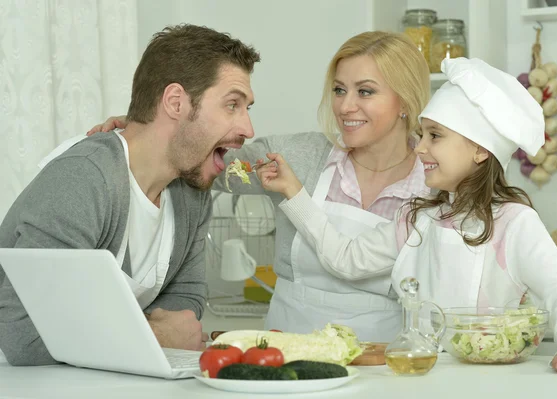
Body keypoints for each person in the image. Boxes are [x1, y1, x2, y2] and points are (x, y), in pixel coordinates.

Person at [255, 57, 557, 373]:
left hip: (491, 379)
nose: (419, 147)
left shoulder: (514, 223)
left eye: (435, 136)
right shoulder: (418, 217)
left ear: (480, 149)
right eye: (422, 134)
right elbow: (345, 259)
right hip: (425, 373)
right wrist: (294, 192)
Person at [86, 31, 431, 342]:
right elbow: (208, 161)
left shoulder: (436, 180)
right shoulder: (301, 156)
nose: (345, 106)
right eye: (339, 89)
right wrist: (146, 131)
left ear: (404, 99)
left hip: (384, 357)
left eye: (365, 91)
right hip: (285, 347)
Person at [0, 24, 260, 366]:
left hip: (112, 377)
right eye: (232, 105)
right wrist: (157, 335)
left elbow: (185, 304)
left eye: (247, 108)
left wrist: (108, 331)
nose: (248, 129)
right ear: (175, 102)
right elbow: (25, 337)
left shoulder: (191, 191)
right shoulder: (84, 179)